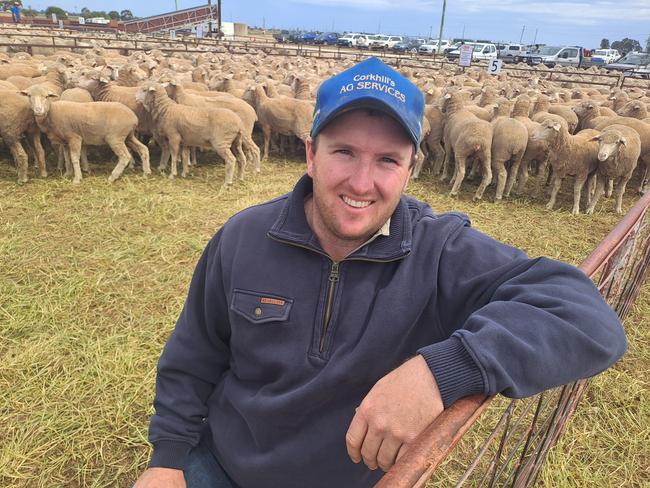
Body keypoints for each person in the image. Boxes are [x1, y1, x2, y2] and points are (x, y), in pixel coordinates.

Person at [133, 57, 627, 488]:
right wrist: (168, 459)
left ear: (410, 170)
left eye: (387, 160)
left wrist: (443, 371)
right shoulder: (243, 237)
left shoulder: (440, 249)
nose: (362, 182)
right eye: (344, 152)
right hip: (222, 471)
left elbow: (588, 319)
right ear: (310, 154)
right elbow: (193, 356)